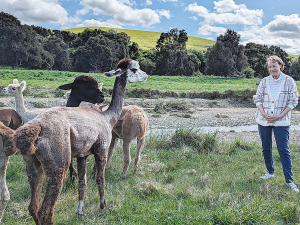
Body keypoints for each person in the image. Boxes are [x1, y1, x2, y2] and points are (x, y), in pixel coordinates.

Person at [253, 55, 299, 192]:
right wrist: (263, 113)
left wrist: (280, 115)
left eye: (274, 65)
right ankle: (270, 172)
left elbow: (293, 101)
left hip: (282, 121)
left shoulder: (289, 81)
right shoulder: (264, 81)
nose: (272, 68)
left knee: (283, 150)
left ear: (280, 65)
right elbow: (258, 99)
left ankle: (289, 180)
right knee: (266, 147)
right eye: (269, 67)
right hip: (264, 120)